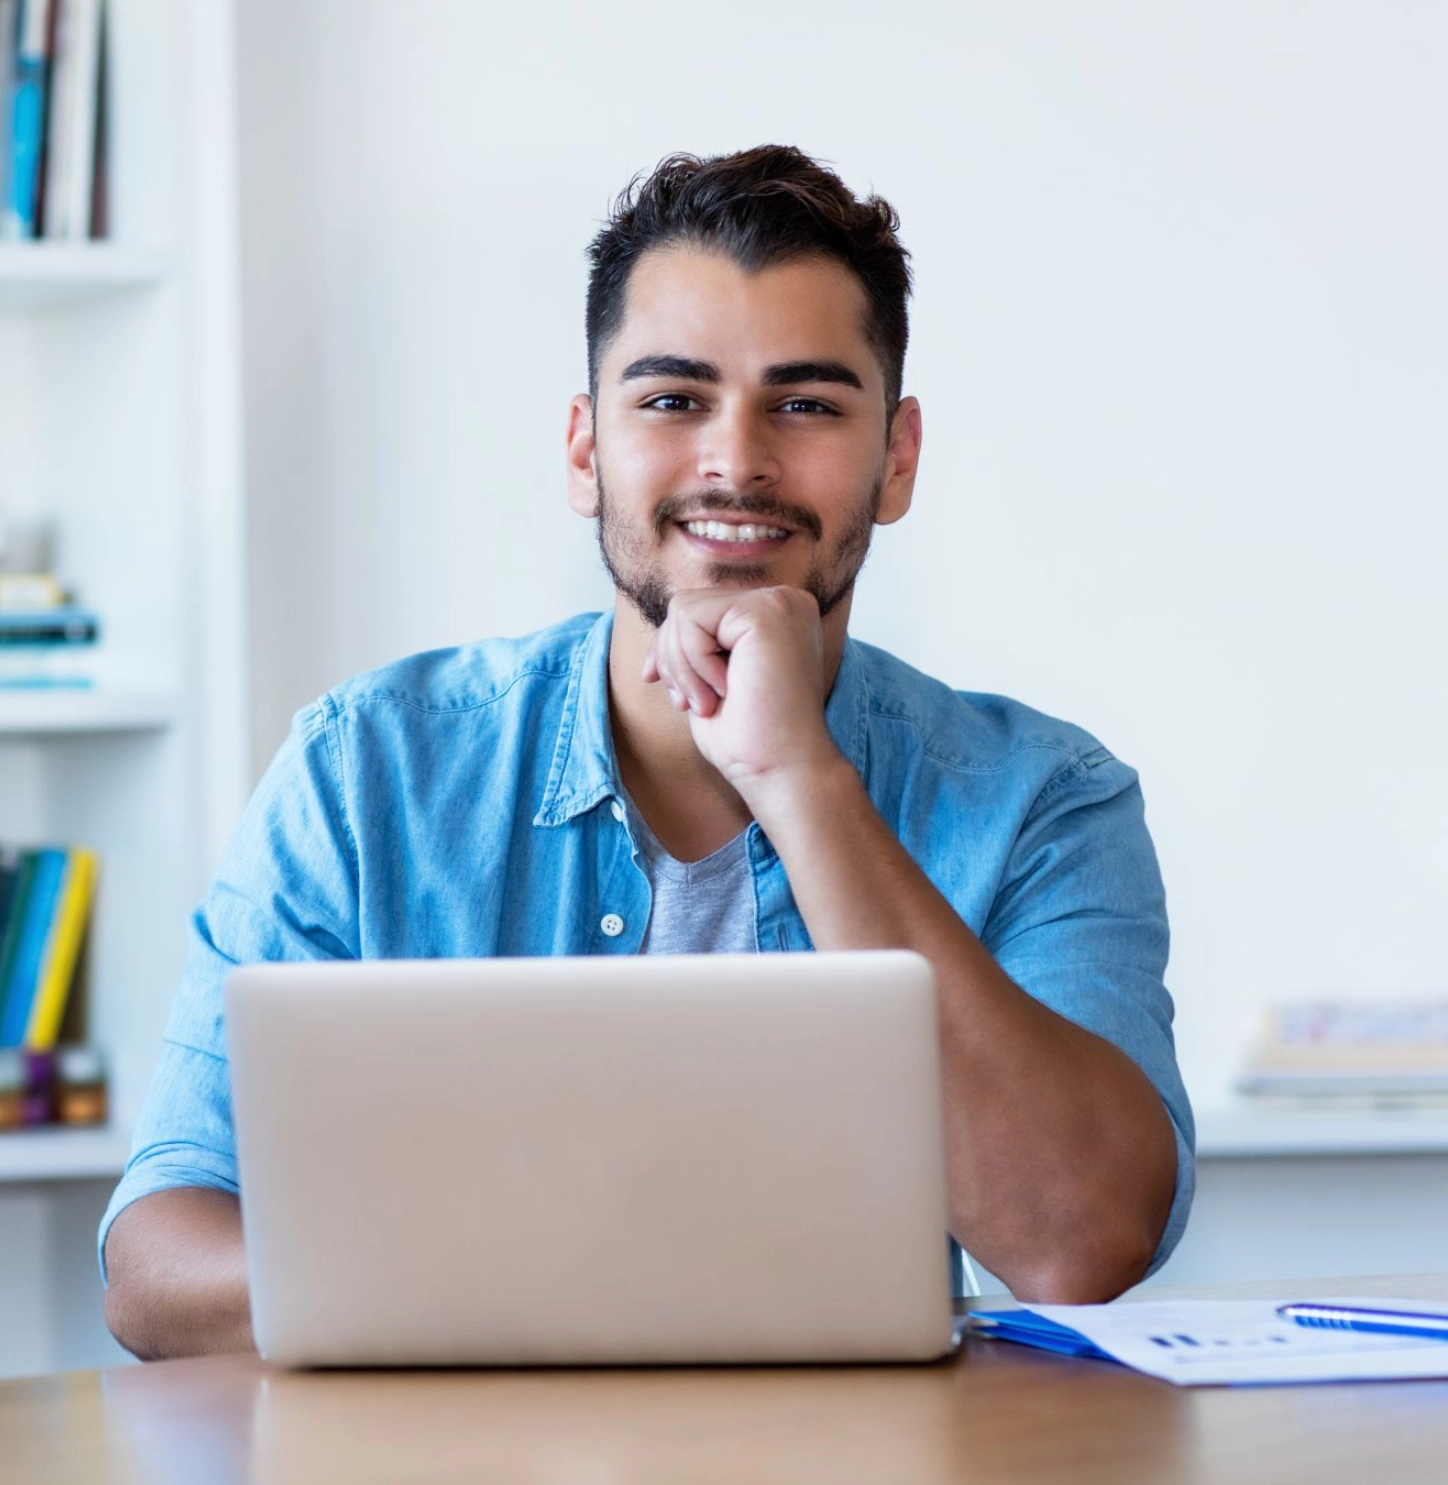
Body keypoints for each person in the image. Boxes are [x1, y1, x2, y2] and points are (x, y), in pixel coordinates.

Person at [99, 145, 1193, 1360]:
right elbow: (155, 1265)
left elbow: (1080, 1241)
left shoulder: (1045, 798)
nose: (736, 460)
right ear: (585, 451)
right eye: (673, 400)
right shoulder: (368, 771)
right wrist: (538, 1275)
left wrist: (799, 779)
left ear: (897, 459)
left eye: (809, 403)